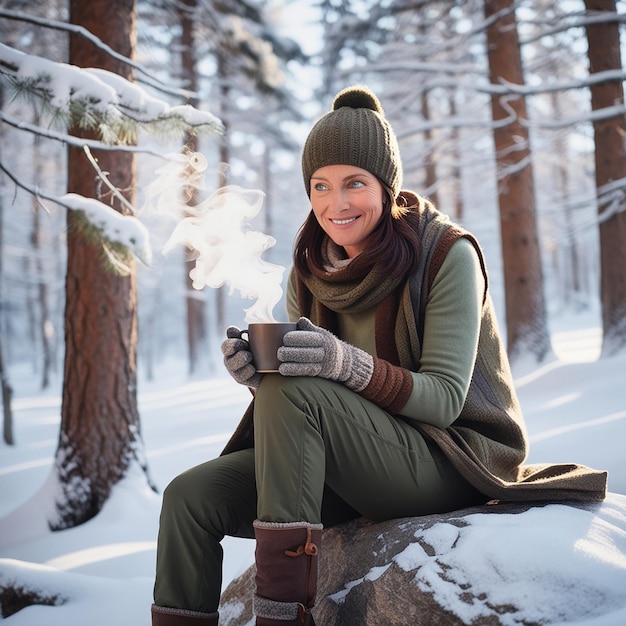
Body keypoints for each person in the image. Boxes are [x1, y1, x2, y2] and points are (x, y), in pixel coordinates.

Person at [151, 86, 607, 626]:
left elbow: (442, 400)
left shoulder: (446, 254)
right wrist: (258, 377)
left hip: (448, 456)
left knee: (296, 388)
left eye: (354, 184)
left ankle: (282, 616)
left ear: (387, 187)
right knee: (187, 498)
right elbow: (305, 399)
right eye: (320, 186)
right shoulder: (310, 268)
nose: (335, 204)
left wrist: (341, 364)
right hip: (353, 458)